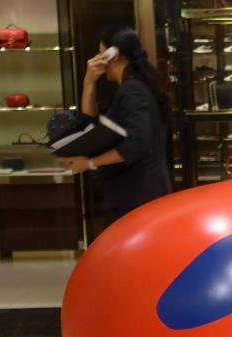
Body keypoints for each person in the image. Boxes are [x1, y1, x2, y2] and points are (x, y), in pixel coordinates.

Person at [59, 27, 173, 225]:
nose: (97, 58)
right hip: (139, 195)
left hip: (135, 198)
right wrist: (89, 82)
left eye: (100, 52)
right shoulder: (136, 86)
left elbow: (137, 143)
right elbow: (89, 122)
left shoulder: (131, 90)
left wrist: (90, 163)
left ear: (114, 54)